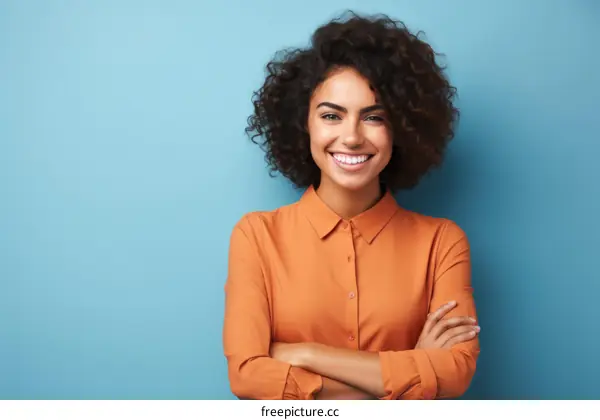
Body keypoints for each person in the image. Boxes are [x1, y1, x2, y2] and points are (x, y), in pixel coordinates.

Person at [222, 11, 480, 400]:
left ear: (402, 128)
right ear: (303, 123)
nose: (352, 137)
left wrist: (305, 355)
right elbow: (247, 377)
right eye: (331, 115)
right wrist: (410, 368)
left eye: (374, 117)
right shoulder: (257, 236)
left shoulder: (442, 243)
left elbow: (455, 373)